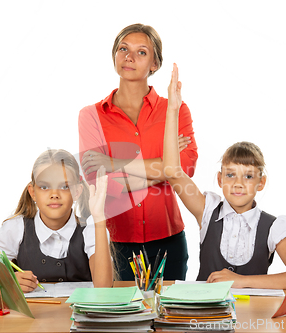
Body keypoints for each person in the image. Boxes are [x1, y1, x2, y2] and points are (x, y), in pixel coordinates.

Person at [163, 64, 286, 289]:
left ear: (261, 183)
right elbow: (172, 172)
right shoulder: (207, 211)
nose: (238, 183)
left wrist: (242, 282)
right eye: (230, 175)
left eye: (248, 176)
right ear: (219, 180)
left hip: (252, 316)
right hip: (204, 315)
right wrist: (172, 109)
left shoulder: (272, 227)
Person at [78, 23, 198, 281]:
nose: (129, 57)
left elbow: (185, 168)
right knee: (121, 318)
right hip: (116, 241)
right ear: (115, 55)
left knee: (168, 318)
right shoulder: (91, 116)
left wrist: (112, 162)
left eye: (141, 52)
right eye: (123, 49)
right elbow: (98, 183)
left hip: (169, 241)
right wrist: (165, 170)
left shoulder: (175, 110)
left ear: (154, 64)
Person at [0, 149, 112, 292]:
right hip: (34, 314)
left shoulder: (91, 229)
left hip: (79, 314)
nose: (54, 194)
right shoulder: (15, 229)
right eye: (44, 187)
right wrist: (7, 279)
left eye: (64, 186)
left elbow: (104, 287)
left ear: (77, 192)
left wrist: (98, 218)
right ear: (33, 192)